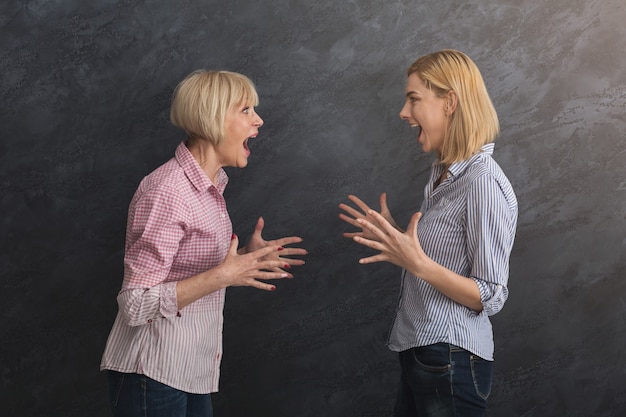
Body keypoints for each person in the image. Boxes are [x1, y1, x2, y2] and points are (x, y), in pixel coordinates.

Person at [100, 70, 307, 417]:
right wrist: (225, 275)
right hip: (151, 372)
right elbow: (134, 305)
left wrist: (244, 260)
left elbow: (189, 267)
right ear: (213, 118)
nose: (258, 120)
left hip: (190, 371)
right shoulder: (167, 192)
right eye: (245, 110)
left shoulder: (210, 189)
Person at [339, 49, 518, 417]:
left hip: (451, 358)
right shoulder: (444, 176)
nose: (404, 113)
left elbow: (491, 295)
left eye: (414, 99)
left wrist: (416, 261)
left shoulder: (481, 181)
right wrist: (394, 236)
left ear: (449, 102)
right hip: (426, 354)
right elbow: (440, 257)